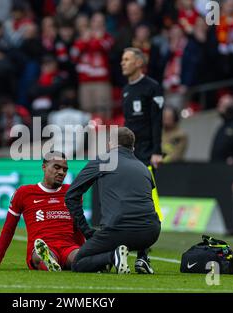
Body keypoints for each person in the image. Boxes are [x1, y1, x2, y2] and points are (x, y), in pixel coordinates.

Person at [65, 127, 161, 274]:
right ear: (133, 147)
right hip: (151, 234)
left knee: (79, 263)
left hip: (119, 231)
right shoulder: (143, 167)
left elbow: (71, 195)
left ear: (110, 144)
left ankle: (113, 257)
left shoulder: (104, 160)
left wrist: (87, 231)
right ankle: (142, 259)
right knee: (140, 206)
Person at [0, 151, 85, 271]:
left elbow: (78, 228)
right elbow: (8, 229)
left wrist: (84, 250)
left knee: (80, 258)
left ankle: (92, 261)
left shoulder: (71, 192)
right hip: (43, 246)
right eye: (57, 167)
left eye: (65, 169)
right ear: (44, 167)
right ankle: (48, 261)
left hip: (68, 247)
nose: (61, 172)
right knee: (40, 255)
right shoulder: (24, 193)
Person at [120, 47, 164, 221]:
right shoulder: (126, 90)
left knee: (148, 191)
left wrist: (157, 151)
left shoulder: (152, 87)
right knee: (129, 189)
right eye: (123, 59)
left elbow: (157, 120)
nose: (122, 63)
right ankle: (133, 224)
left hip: (147, 150)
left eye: (127, 59)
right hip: (130, 150)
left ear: (139, 63)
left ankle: (155, 225)